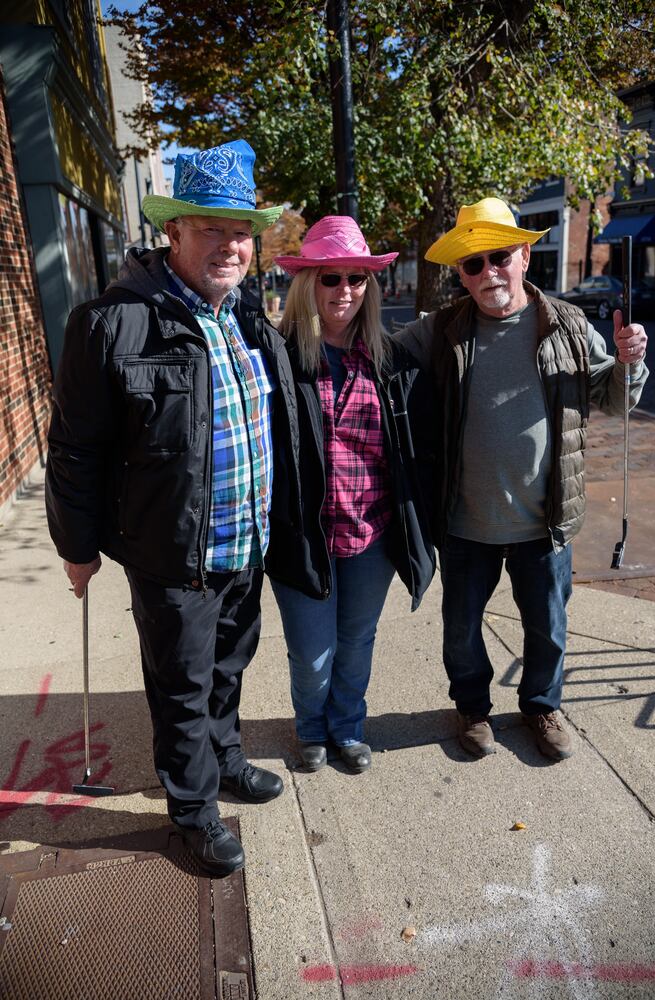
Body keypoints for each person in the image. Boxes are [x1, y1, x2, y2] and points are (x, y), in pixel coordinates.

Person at [45, 140, 300, 876]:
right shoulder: (109, 324)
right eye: (210, 227)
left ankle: (225, 762)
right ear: (174, 233)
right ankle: (192, 813)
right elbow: (74, 450)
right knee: (182, 690)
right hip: (172, 558)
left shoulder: (244, 318)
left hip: (242, 549)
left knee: (228, 670)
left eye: (241, 231)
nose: (229, 245)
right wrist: (76, 543)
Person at [396, 197, 649, 762]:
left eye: (500, 257)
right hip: (464, 520)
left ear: (526, 256)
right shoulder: (438, 330)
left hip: (544, 517)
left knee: (548, 626)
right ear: (461, 273)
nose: (489, 273)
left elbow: (612, 397)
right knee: (461, 629)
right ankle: (472, 709)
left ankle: (540, 704)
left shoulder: (568, 323)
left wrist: (632, 362)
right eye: (473, 264)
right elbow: (371, 356)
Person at [265, 216, 436, 773]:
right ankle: (311, 727)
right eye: (331, 277)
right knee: (312, 655)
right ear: (306, 284)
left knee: (357, 641)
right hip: (304, 538)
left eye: (356, 279)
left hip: (371, 534)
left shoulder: (390, 362)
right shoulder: (279, 359)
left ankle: (347, 727)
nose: (344, 290)